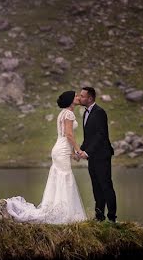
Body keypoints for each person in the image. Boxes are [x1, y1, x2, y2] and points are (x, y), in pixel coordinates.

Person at [5, 90, 87, 224]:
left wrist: (72, 153)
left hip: (59, 148)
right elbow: (69, 135)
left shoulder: (62, 114)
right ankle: (64, 214)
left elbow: (64, 135)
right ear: (71, 100)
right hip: (62, 149)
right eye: (76, 96)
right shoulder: (69, 114)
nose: (78, 98)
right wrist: (78, 151)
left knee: (60, 177)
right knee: (65, 177)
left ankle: (58, 210)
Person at [77, 87, 117, 222]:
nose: (79, 98)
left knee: (106, 185)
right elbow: (89, 138)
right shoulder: (86, 113)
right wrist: (80, 150)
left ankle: (112, 218)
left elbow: (101, 136)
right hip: (92, 156)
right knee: (96, 186)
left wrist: (87, 152)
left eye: (82, 96)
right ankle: (99, 216)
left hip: (102, 155)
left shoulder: (100, 112)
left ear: (90, 98)